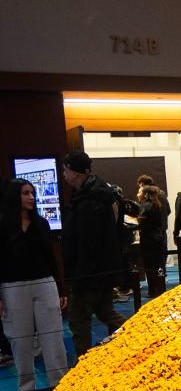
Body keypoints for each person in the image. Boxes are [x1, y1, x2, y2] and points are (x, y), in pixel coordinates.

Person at [0, 179, 68, 389]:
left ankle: (59, 387)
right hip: (13, 287)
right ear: (14, 197)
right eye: (25, 193)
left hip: (44, 283)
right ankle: (26, 388)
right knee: (20, 341)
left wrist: (61, 288)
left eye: (32, 193)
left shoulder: (41, 223)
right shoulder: (3, 225)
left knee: (53, 336)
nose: (31, 197)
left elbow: (51, 258)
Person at [60, 151, 126, 357]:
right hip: (100, 272)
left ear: (76, 173)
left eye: (66, 169)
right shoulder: (95, 196)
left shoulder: (90, 202)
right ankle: (131, 342)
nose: (63, 174)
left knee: (79, 319)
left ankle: (84, 364)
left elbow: (88, 244)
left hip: (89, 274)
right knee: (105, 311)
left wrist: (79, 278)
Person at [136, 185, 168, 297]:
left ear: (145, 194)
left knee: (149, 267)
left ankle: (152, 291)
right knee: (158, 266)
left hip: (148, 240)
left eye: (139, 192)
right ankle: (160, 289)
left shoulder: (144, 206)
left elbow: (142, 224)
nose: (137, 194)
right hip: (158, 239)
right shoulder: (157, 205)